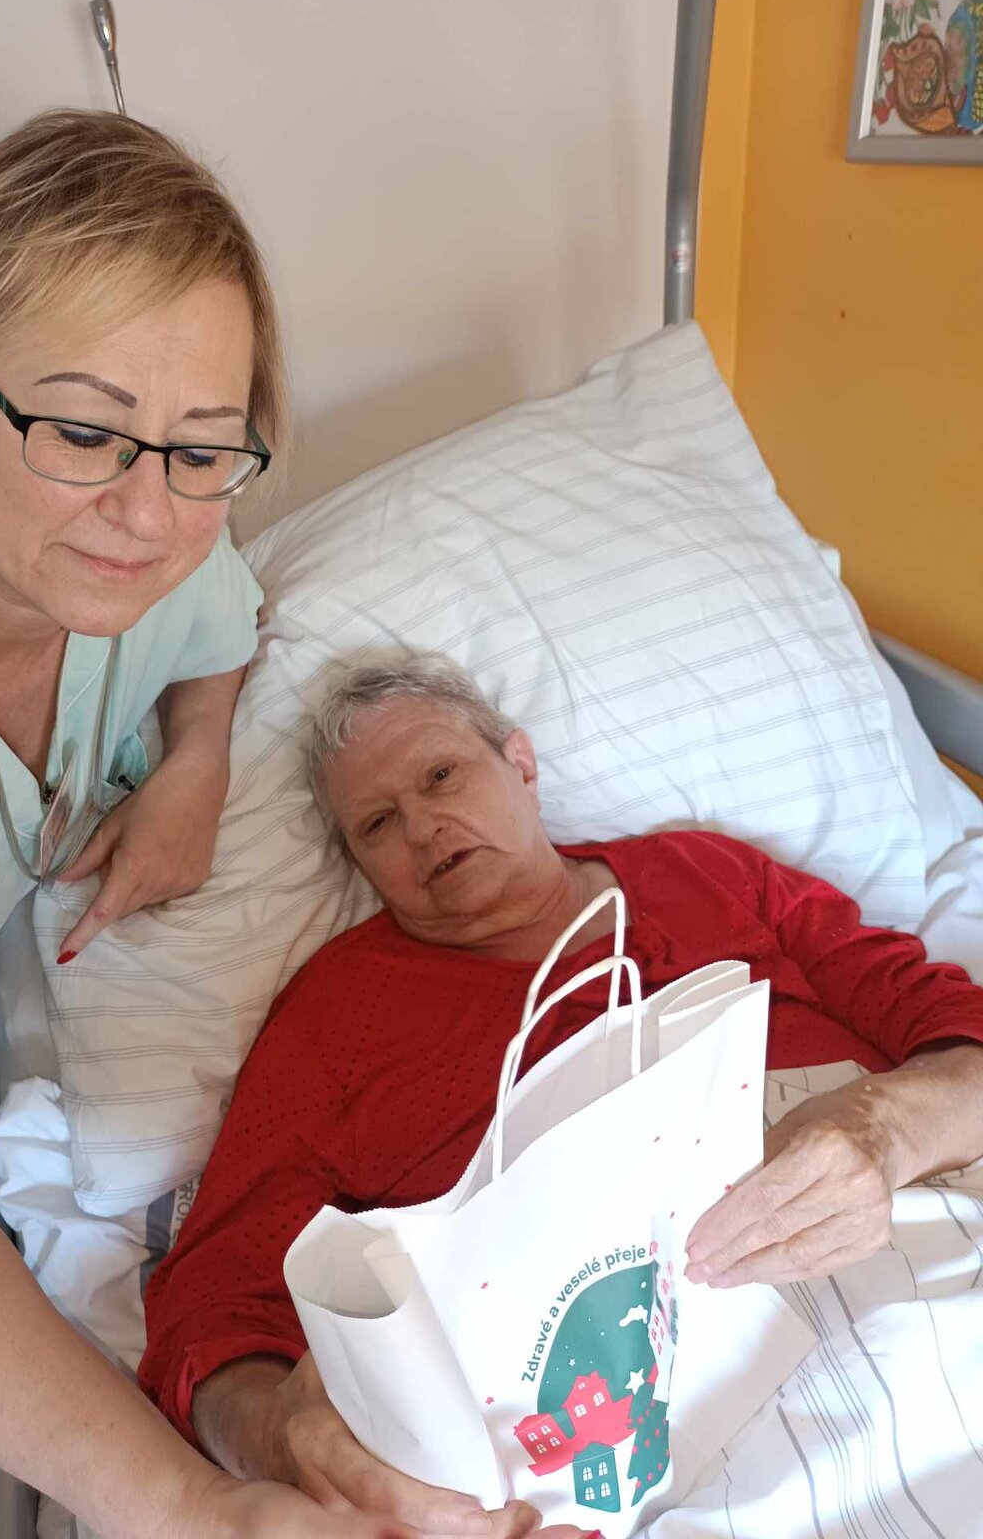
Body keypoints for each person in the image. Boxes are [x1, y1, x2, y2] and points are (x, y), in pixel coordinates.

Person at [0, 111, 405, 1539]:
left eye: (202, 449)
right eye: (81, 431)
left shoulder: (149, 541)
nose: (149, 511)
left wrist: (194, 767)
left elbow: (220, 621)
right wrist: (197, 1507)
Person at [139, 651, 983, 1534]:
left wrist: (884, 1131)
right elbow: (212, 1298)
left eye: (441, 775)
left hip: (900, 1230)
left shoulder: (705, 872)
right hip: (623, 1396)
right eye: (378, 823)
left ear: (522, 762)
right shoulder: (339, 1015)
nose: (423, 827)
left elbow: (952, 1027)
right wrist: (279, 1436)